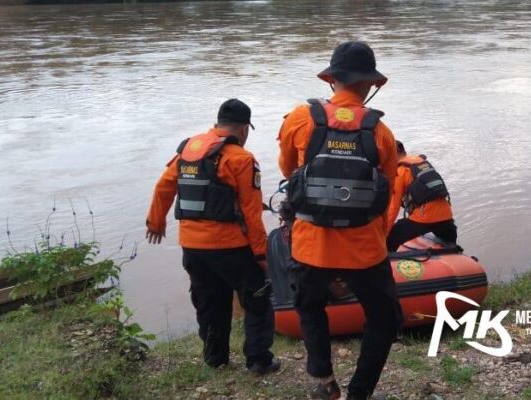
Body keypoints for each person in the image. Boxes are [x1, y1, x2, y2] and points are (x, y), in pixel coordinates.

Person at [278, 41, 403, 400]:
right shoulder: (380, 132)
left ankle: (324, 382)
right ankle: (359, 393)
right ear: (370, 84)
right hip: (363, 249)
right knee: (384, 318)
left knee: (310, 307)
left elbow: (289, 172)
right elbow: (387, 192)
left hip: (309, 245)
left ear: (332, 79)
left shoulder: (300, 119)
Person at [145, 99, 279, 375]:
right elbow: (252, 214)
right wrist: (261, 255)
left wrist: (156, 222)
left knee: (209, 302)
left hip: (192, 247)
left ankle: (215, 358)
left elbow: (164, 187)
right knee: (256, 298)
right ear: (243, 129)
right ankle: (258, 360)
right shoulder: (241, 159)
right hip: (232, 248)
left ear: (217, 124)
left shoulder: (189, 150)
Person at [386, 140, 457, 251]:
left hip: (424, 219)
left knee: (389, 239)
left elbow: (393, 208)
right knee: (451, 245)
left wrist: (384, 232)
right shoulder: (422, 163)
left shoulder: (400, 171)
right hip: (447, 218)